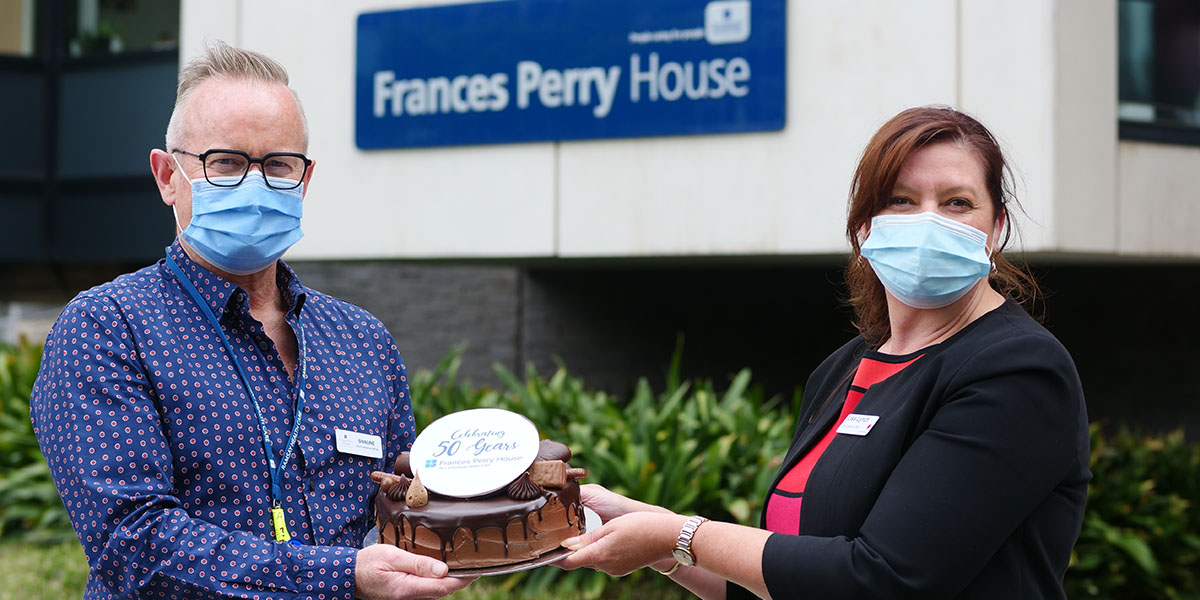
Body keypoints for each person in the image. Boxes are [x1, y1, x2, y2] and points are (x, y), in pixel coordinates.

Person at [558, 106, 1091, 599]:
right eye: (901, 200)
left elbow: (883, 581)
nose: (928, 221)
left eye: (957, 202)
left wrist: (680, 534)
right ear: (864, 226)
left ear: (995, 228)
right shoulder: (844, 368)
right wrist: (648, 531)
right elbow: (786, 582)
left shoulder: (1017, 370)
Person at [29, 41, 471, 600]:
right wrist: (341, 577)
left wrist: (509, 496)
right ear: (168, 176)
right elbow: (130, 542)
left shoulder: (362, 340)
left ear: (305, 180)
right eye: (227, 163)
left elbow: (401, 501)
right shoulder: (106, 329)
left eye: (278, 165)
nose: (255, 185)